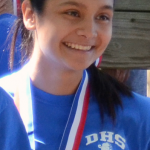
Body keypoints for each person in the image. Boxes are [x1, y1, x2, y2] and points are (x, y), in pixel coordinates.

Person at [0, 0, 150, 149]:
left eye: (103, 17)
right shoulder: (4, 103)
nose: (89, 32)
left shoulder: (140, 117)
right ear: (30, 14)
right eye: (73, 13)